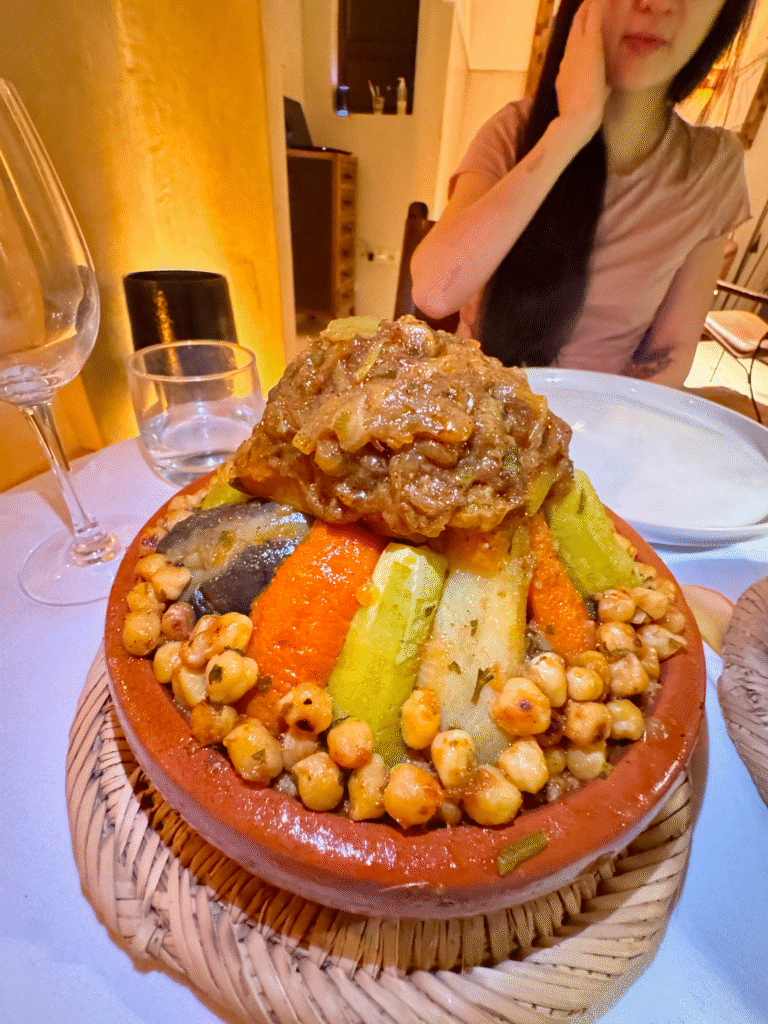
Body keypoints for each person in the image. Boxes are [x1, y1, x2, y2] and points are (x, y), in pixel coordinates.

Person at [410, 0, 755, 388]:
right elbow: (435, 292)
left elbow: (669, 354)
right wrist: (572, 127)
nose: (657, 4)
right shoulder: (513, 130)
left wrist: (603, 420)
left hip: (599, 416)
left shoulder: (713, 165)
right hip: (477, 404)